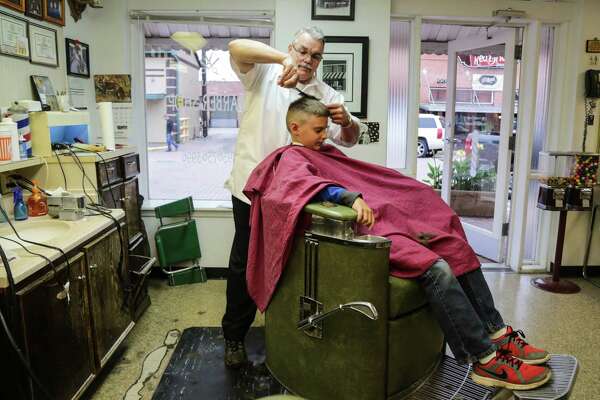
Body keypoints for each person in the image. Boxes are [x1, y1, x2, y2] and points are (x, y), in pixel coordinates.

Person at [243, 96, 552, 391]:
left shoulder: (324, 152)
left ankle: (496, 332)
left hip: (385, 218)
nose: (325, 136)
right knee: (437, 268)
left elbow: (360, 176)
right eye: (318, 130)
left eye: (326, 129)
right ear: (295, 128)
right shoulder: (289, 157)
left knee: (453, 245)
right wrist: (349, 196)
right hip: (360, 230)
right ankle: (485, 360)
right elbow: (304, 186)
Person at [222, 27, 362, 368]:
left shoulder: (325, 95)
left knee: (292, 264)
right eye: (302, 51)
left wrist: (347, 122)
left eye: (315, 55)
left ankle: (286, 334)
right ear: (291, 47)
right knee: (244, 264)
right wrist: (281, 59)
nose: (307, 59)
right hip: (250, 190)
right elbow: (236, 47)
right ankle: (234, 338)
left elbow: (352, 139)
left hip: (295, 197)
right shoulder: (264, 73)